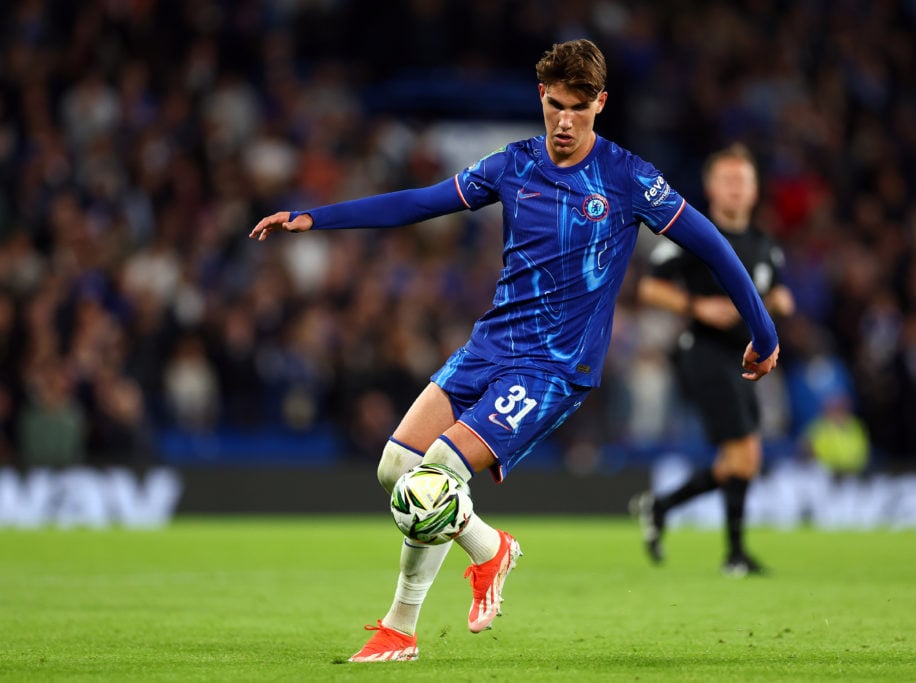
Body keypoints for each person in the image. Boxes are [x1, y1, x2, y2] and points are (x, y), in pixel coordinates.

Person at [250, 40, 780, 662]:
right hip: (489, 346)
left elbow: (715, 246)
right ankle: (488, 548)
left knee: (436, 475)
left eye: (578, 108)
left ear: (600, 104)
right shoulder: (513, 165)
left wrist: (763, 333)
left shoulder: (629, 178)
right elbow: (420, 203)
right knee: (396, 469)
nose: (564, 121)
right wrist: (316, 218)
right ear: (541, 97)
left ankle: (400, 628)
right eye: (555, 105)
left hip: (555, 365)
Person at [630, 143, 794, 576]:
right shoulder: (692, 232)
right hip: (704, 352)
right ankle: (734, 556)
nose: (736, 189)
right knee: (743, 455)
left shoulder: (764, 246)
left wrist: (778, 303)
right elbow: (649, 288)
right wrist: (697, 307)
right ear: (710, 187)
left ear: (756, 189)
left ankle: (661, 506)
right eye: (727, 179)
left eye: (743, 180)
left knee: (743, 460)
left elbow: (779, 295)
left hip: (749, 359)